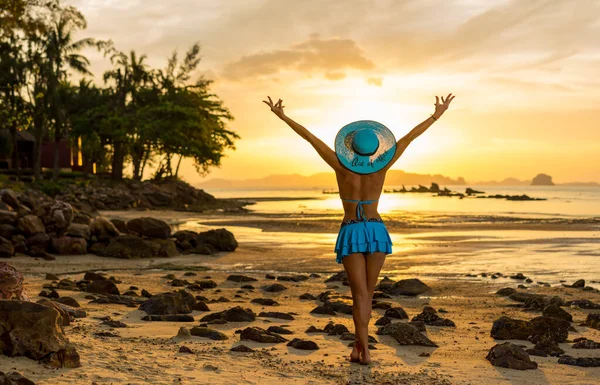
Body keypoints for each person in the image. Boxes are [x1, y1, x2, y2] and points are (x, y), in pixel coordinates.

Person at [262, 93, 455, 365]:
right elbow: (410, 137)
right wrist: (437, 114)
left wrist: (282, 117)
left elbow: (310, 138)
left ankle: (363, 349)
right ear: (375, 149)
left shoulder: (341, 168)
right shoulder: (383, 166)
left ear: (349, 147)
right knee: (369, 294)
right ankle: (358, 347)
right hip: (376, 230)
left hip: (352, 230)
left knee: (359, 295)